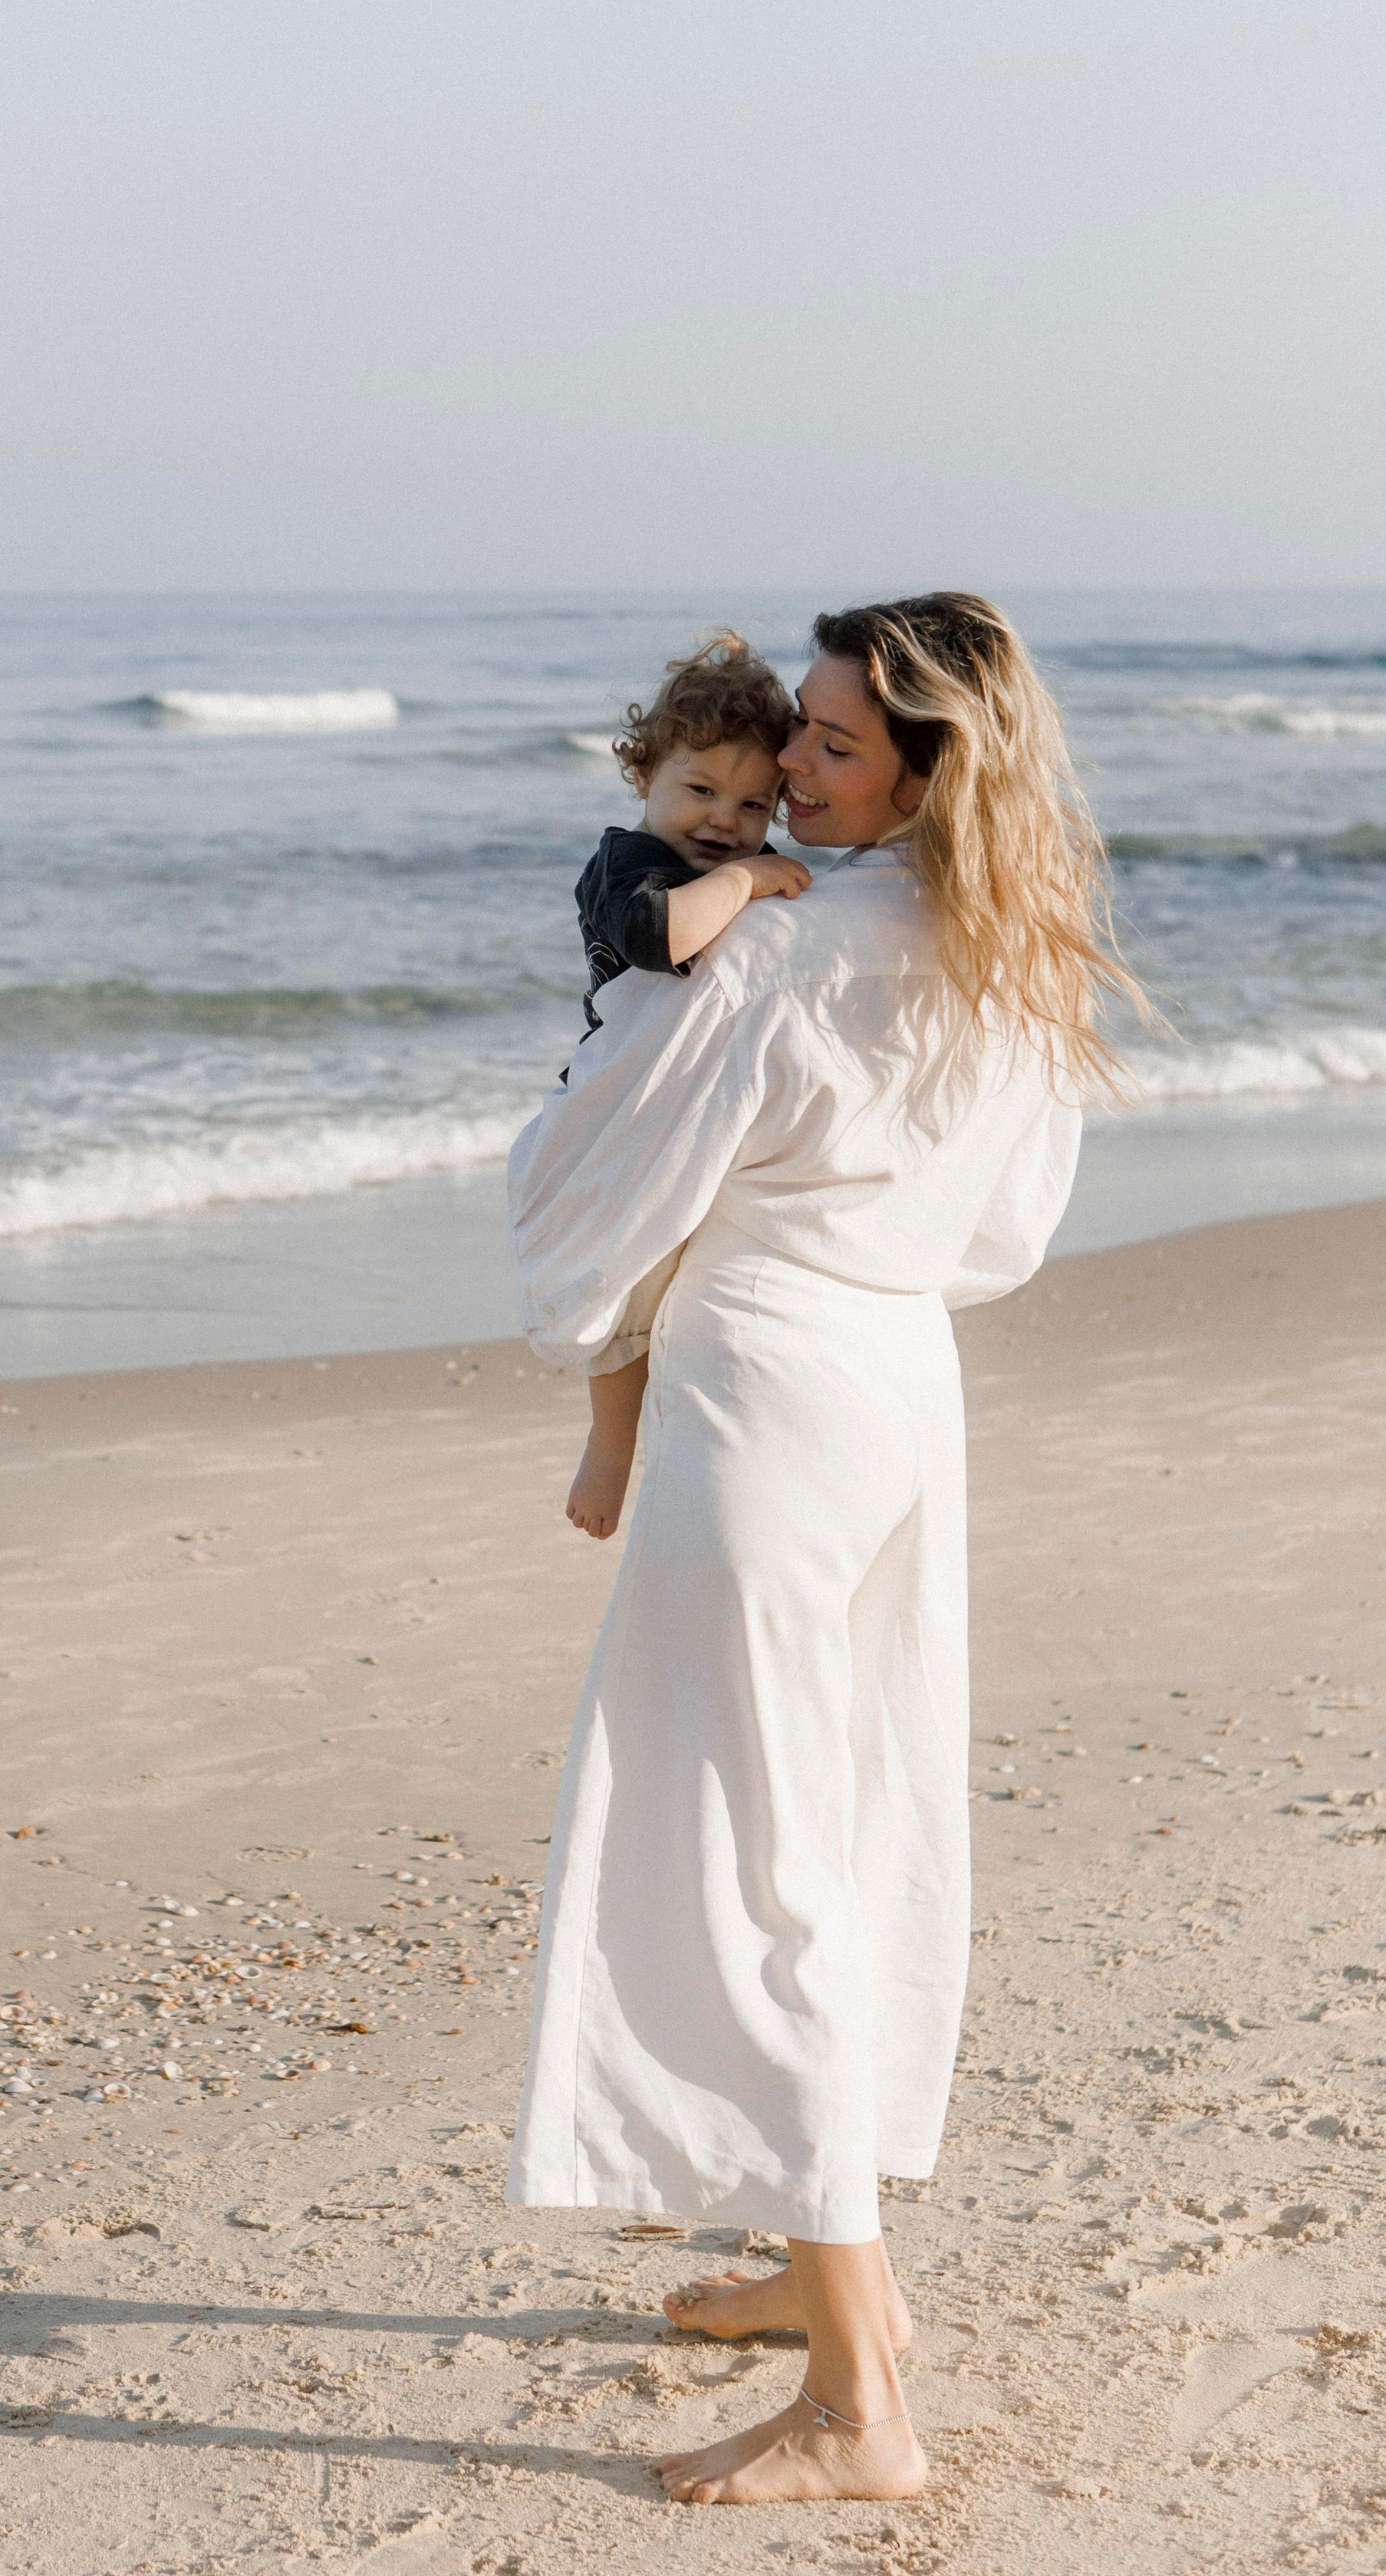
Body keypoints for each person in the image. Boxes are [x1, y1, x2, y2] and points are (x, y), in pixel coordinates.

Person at [505, 593, 1149, 2508]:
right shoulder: (1011, 951)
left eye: (836, 745)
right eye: (794, 725)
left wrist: (614, 1318)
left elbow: (573, 1208)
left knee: (750, 1855)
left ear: (930, 770)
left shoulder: (768, 958)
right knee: (842, 1821)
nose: (788, 765)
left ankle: (861, 2399)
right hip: (894, 1387)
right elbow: (998, 1237)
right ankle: (813, 2272)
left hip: (762, 1403)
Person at [566, 635, 810, 1544]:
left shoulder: (729, 865)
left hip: (687, 1104)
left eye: (753, 805)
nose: (722, 819)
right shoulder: (626, 864)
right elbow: (657, 938)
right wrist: (748, 876)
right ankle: (608, 1442)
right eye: (699, 790)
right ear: (644, 777)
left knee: (678, 1278)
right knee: (616, 1280)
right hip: (612, 1105)